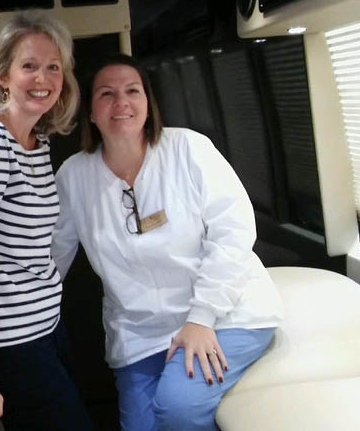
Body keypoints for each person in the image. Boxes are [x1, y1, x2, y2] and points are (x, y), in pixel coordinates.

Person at [51, 53, 283, 431]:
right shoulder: (74, 176)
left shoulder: (189, 149)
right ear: (90, 111)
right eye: (107, 94)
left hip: (225, 316)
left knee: (177, 410)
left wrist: (202, 318)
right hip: (139, 334)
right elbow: (54, 254)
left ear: (148, 103)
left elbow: (234, 232)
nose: (121, 102)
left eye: (132, 91)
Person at [0, 11, 94, 431]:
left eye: (53, 67)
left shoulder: (35, 142)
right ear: (3, 76)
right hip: (7, 342)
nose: (42, 78)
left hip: (43, 327)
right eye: (29, 65)